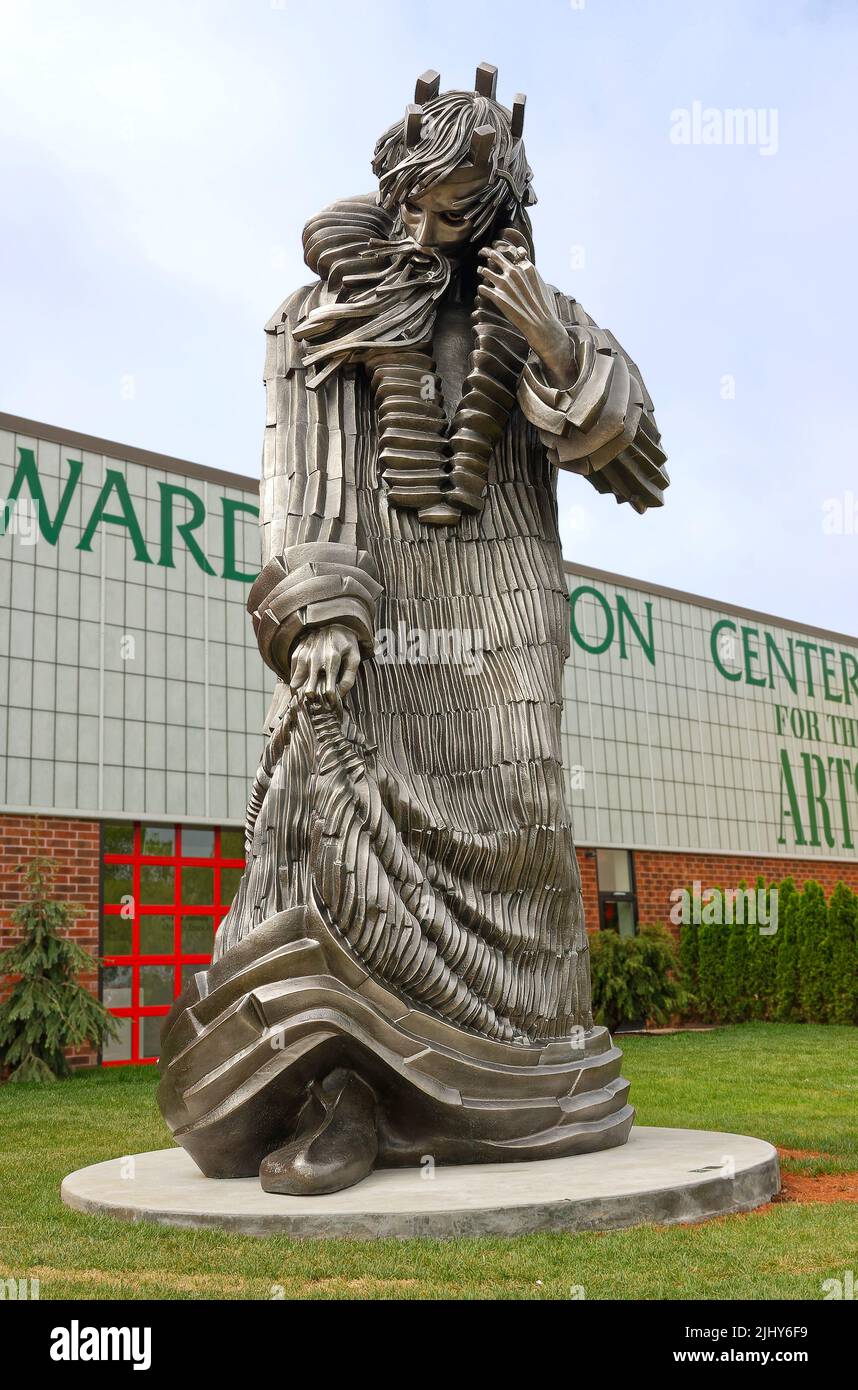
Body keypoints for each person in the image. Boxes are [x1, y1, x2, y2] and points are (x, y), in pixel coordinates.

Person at [159, 65, 668, 1195]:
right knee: (326, 826)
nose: (441, 220)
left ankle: (531, 1088)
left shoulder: (537, 315)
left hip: (502, 627)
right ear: (398, 187)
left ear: (500, 203)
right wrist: (320, 611)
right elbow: (298, 484)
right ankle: (339, 1091)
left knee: (523, 823)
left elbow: (639, 466)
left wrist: (556, 348)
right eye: (429, 196)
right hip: (373, 620)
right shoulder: (319, 318)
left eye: (469, 200)